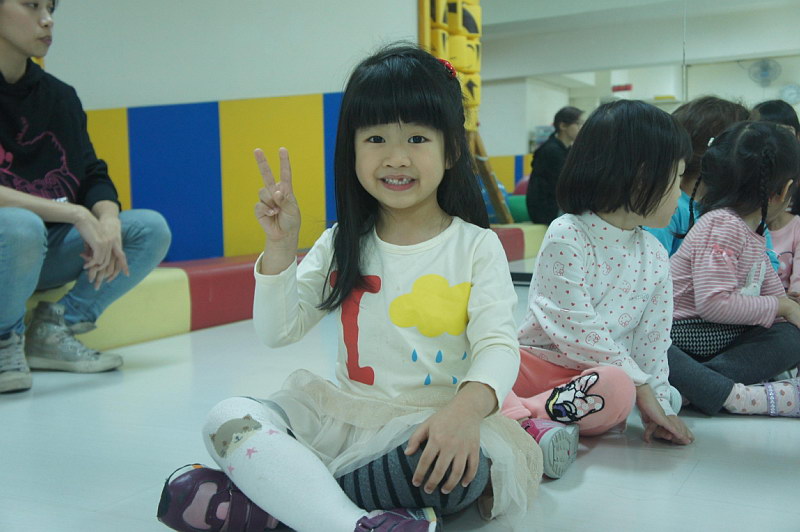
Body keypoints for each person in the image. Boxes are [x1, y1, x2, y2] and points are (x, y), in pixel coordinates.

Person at [157, 45, 542, 532]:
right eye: (376, 138)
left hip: (432, 423)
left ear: (451, 152)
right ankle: (351, 523)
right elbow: (277, 331)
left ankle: (274, 502)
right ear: (352, 151)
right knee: (227, 419)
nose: (396, 157)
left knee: (453, 472)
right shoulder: (343, 242)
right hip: (344, 419)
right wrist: (280, 246)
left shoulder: (475, 246)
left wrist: (464, 415)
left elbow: (498, 346)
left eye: (417, 138)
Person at [503, 100, 695, 453]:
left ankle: (527, 418)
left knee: (622, 389)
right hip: (534, 365)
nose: (681, 194)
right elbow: (574, 326)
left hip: (591, 381)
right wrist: (642, 388)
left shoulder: (654, 254)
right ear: (641, 176)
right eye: (678, 178)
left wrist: (659, 405)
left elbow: (653, 341)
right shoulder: (568, 233)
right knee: (485, 362)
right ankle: (527, 418)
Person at [0, 0, 171, 393]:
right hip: (11, 240)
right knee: (22, 227)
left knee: (148, 228)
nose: (47, 20)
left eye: (50, 7)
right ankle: (4, 339)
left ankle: (55, 327)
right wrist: (78, 215)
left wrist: (106, 219)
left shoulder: (59, 96)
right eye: (31, 5)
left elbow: (91, 172)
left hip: (45, 248)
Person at [667, 121, 800, 417]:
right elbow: (713, 304)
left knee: (790, 337)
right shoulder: (723, 225)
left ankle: (698, 386)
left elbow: (774, 294)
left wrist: (788, 310)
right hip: (682, 332)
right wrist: (782, 306)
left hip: (713, 335)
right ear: (784, 190)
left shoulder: (752, 230)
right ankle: (708, 387)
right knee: (659, 352)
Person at [525, 106, 583, 224]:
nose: (581, 128)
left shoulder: (568, 150)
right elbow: (566, 184)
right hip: (545, 210)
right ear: (563, 126)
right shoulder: (551, 150)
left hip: (555, 204)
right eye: (578, 123)